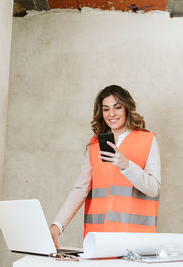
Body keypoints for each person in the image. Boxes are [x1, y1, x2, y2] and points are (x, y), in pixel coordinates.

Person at [49, 85, 161, 248]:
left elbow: (154, 189)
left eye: (117, 107)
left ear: (126, 108)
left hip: (135, 238)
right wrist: (57, 225)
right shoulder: (95, 145)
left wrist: (126, 165)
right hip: (99, 237)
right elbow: (81, 189)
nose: (112, 114)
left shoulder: (147, 140)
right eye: (106, 109)